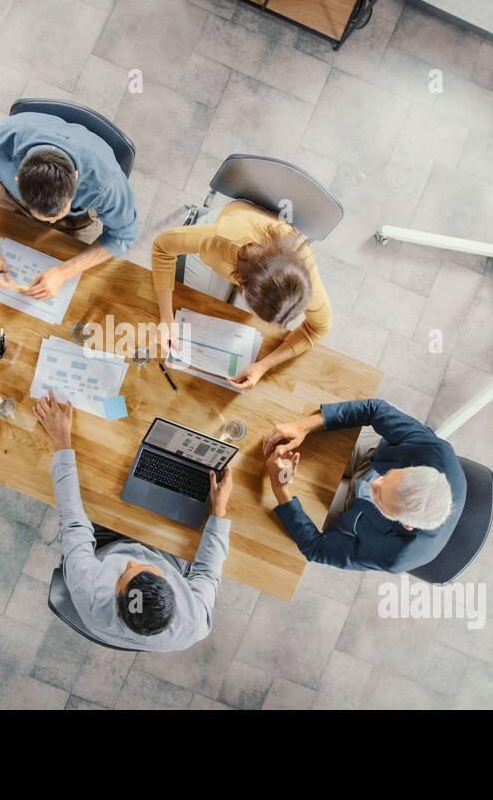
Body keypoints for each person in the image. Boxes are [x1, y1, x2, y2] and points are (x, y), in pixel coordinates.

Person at [34, 391, 232, 651]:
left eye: (124, 572)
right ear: (173, 588)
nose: (130, 561)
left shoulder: (89, 588)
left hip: (108, 542)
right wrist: (219, 510)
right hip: (167, 554)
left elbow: (72, 520)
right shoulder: (194, 623)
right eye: (138, 567)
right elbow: (207, 572)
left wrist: (61, 440)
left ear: (115, 607)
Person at [0, 111, 138, 300]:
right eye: (45, 216)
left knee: (80, 289)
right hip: (13, 199)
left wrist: (64, 272)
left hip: (78, 220)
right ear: (17, 178)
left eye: (58, 212)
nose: (53, 221)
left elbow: (123, 235)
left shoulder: (107, 183)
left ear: (76, 178)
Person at [262, 398, 465, 573]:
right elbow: (374, 409)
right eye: (388, 477)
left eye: (380, 496)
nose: (374, 483)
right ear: (414, 468)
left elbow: (317, 549)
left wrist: (280, 489)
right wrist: (303, 426)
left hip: (350, 510)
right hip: (372, 457)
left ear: (406, 524)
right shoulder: (436, 452)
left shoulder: (394, 556)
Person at [149, 200, 332, 389]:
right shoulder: (218, 239)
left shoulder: (306, 276)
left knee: (224, 323)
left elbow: (318, 327)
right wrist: (166, 318)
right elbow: (162, 247)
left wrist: (263, 366)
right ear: (244, 287)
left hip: (247, 259)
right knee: (199, 310)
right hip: (227, 229)